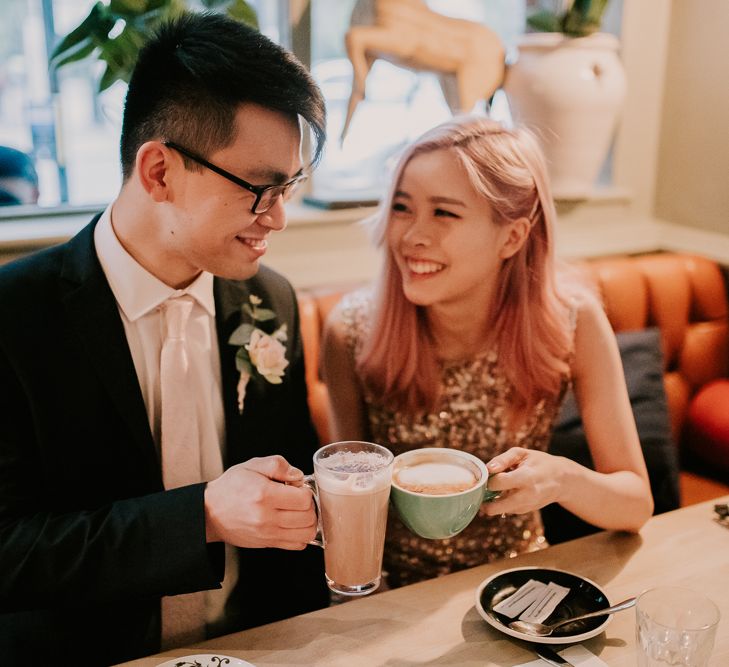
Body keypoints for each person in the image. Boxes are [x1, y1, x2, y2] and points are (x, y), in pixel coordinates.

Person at [0, 12, 329, 666]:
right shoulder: (16, 317)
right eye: (260, 189)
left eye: (288, 187)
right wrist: (202, 514)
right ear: (158, 171)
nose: (280, 218)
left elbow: (290, 490)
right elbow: (11, 551)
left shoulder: (269, 300)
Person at [321, 116, 654, 588]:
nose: (412, 235)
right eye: (401, 207)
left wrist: (562, 480)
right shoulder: (351, 329)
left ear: (511, 237)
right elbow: (350, 506)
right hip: (387, 588)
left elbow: (636, 504)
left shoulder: (574, 321)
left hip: (516, 587)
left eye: (444, 212)